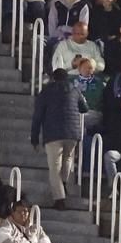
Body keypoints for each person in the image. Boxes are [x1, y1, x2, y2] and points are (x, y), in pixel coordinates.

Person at [30, 68, 88, 211]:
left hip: (53, 133)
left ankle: (60, 198)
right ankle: (63, 183)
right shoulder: (75, 90)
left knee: (54, 168)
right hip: (73, 134)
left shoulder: (46, 92)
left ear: (53, 78)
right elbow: (85, 108)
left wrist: (34, 137)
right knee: (67, 160)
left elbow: (37, 116)